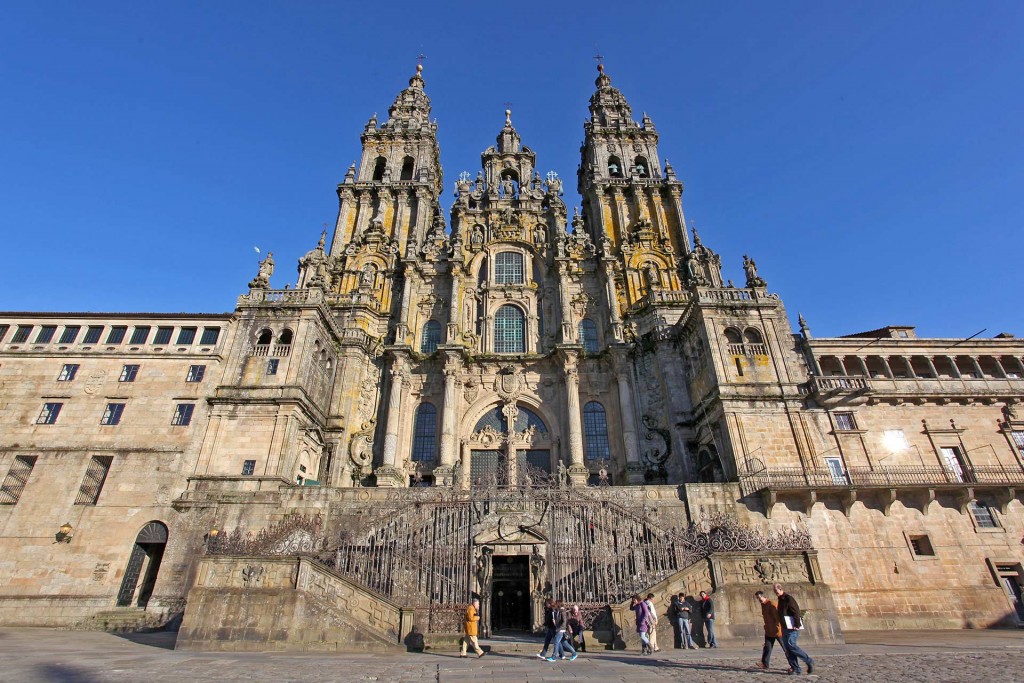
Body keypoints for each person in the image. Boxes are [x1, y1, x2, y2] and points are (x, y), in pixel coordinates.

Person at [774, 583, 814, 675]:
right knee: (788, 649)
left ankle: (809, 661)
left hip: (793, 626)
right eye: (774, 591)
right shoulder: (780, 600)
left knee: (791, 645)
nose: (775, 592)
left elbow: (796, 611)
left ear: (780, 589)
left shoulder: (788, 598)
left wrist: (797, 624)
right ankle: (795, 668)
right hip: (785, 627)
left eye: (776, 591)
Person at [755, 590, 784, 670]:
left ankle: (793, 664)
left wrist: (779, 629)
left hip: (777, 630)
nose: (759, 599)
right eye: (757, 598)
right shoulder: (763, 605)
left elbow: (777, 618)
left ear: (764, 596)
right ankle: (765, 664)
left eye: (759, 597)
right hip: (769, 630)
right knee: (767, 647)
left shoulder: (771, 604)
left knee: (785, 648)